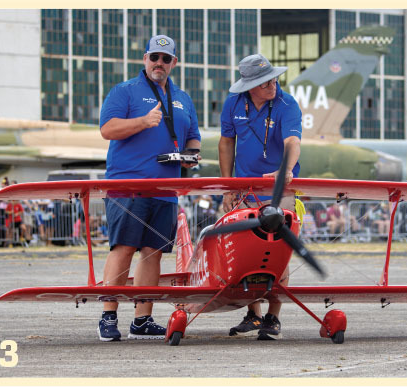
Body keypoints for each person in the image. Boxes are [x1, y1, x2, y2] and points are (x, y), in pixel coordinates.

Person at [98, 34, 201, 342]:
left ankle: (142, 320)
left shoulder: (183, 98)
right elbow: (107, 129)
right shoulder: (125, 90)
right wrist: (142, 122)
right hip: (128, 185)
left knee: (153, 253)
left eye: (166, 59)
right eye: (154, 57)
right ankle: (108, 316)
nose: (159, 63)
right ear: (145, 59)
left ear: (174, 63)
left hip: (165, 189)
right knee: (123, 248)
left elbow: (193, 135)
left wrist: (193, 155)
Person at [218, 53, 302, 340]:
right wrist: (229, 186)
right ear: (249, 85)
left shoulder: (287, 104)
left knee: (279, 253)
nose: (273, 85)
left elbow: (293, 140)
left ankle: (272, 317)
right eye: (266, 82)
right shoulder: (233, 103)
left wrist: (286, 169)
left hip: (279, 189)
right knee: (241, 253)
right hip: (243, 187)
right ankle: (252, 313)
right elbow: (226, 142)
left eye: (275, 79)